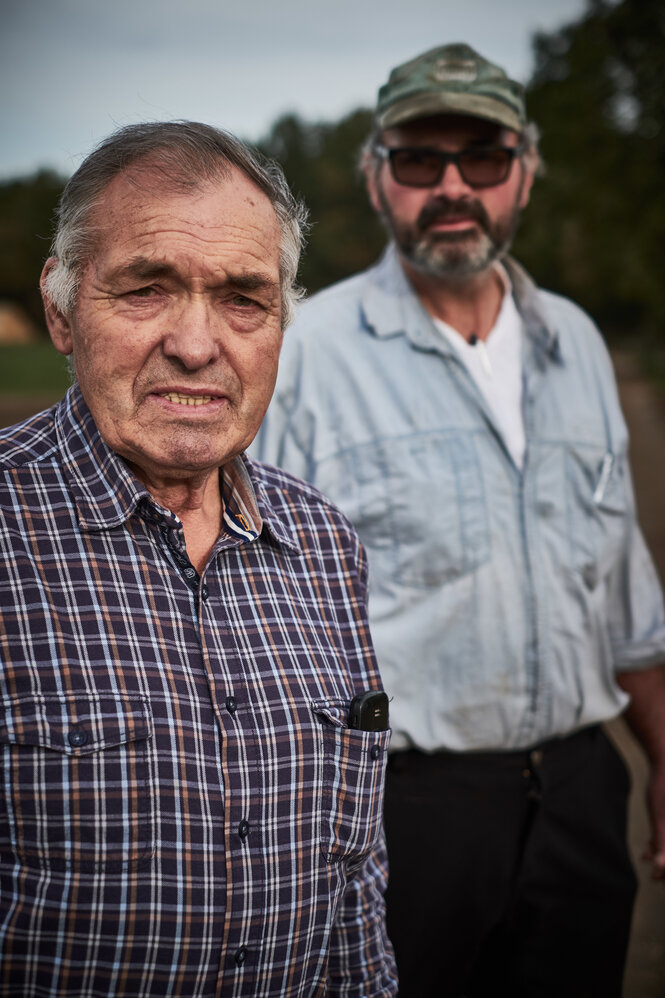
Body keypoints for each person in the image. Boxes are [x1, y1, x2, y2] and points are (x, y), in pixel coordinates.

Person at [253, 43, 665, 997]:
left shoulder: (577, 344)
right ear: (373, 175)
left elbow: (625, 600)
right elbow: (248, 611)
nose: (450, 185)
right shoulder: (305, 353)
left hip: (578, 797)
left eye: (482, 158)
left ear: (525, 172)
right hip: (401, 813)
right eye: (415, 159)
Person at [0, 121, 397, 998]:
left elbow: (351, 890)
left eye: (243, 299)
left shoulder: (324, 547)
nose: (195, 343)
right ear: (62, 311)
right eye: (146, 288)